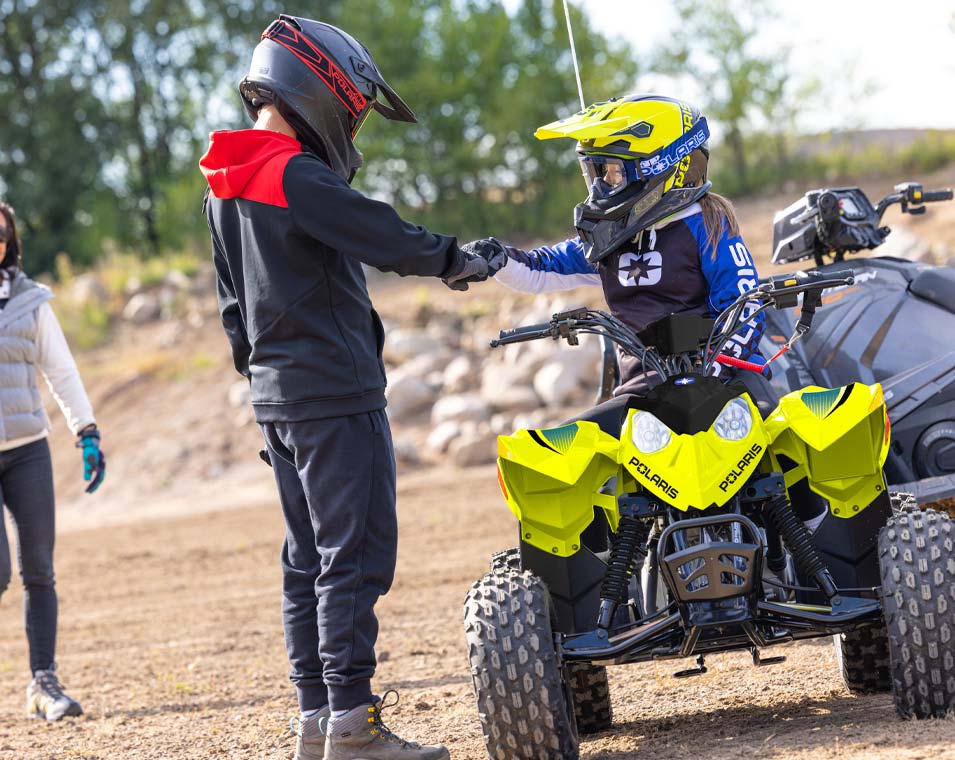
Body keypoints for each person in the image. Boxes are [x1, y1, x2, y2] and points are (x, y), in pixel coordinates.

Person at [199, 15, 487, 760]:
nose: (353, 128)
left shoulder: (224, 184)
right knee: (353, 557)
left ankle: (316, 722)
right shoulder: (295, 174)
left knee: (307, 562)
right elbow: (380, 234)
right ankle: (353, 728)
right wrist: (456, 258)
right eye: (353, 112)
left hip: (280, 401)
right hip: (334, 393)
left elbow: (232, 310)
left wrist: (268, 389)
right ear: (319, 90)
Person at [465, 94, 774, 431]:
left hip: (726, 377)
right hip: (645, 389)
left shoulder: (706, 224)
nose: (603, 184)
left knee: (782, 439)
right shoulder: (611, 238)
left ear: (662, 166)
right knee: (557, 449)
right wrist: (495, 258)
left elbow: (747, 306)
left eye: (615, 172)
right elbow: (541, 269)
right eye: (598, 172)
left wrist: (713, 368)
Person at [0, 200, 106, 721]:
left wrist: (86, 431)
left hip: (27, 451)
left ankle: (43, 682)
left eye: (1, 234)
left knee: (39, 570)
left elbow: (61, 371)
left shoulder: (31, 301)